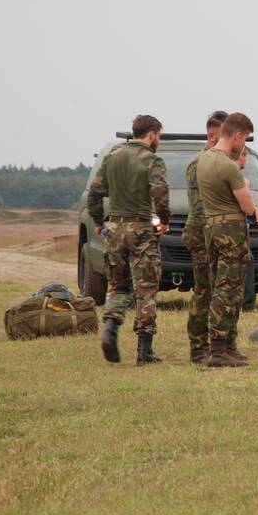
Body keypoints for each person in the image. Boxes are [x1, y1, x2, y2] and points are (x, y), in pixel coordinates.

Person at [87, 114, 170, 366]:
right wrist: (164, 220)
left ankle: (110, 328)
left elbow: (94, 192)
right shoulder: (151, 160)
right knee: (146, 289)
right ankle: (144, 350)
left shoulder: (112, 156)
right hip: (141, 228)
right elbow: (160, 193)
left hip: (114, 230)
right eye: (159, 136)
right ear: (152, 134)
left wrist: (99, 221)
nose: (158, 141)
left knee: (118, 285)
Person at [197, 113, 258, 368]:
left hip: (212, 227)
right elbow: (246, 206)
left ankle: (228, 347)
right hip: (231, 231)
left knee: (223, 287)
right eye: (244, 138)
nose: (243, 144)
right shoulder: (228, 166)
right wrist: (250, 200)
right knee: (228, 291)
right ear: (237, 135)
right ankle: (218, 349)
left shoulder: (204, 159)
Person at [182, 110, 227, 364]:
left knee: (219, 291)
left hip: (215, 234)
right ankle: (198, 348)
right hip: (202, 233)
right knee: (204, 291)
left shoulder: (218, 161)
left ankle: (220, 345)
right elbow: (202, 209)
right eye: (225, 135)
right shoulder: (200, 163)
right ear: (212, 136)